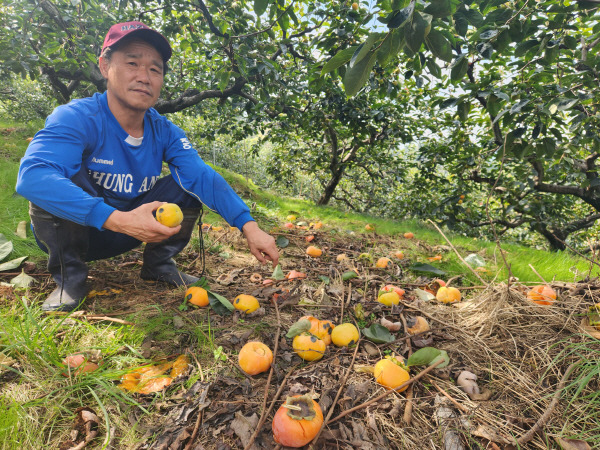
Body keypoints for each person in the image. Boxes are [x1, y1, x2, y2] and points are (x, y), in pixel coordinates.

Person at [16, 21, 279, 312]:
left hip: (131, 230)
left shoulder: (165, 131)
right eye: (132, 63)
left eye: (155, 69)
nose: (144, 77)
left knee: (190, 183)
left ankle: (159, 265)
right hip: (75, 231)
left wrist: (249, 226)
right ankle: (70, 278)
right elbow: (33, 177)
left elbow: (202, 177)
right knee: (57, 178)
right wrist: (116, 218)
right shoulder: (76, 117)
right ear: (105, 66)